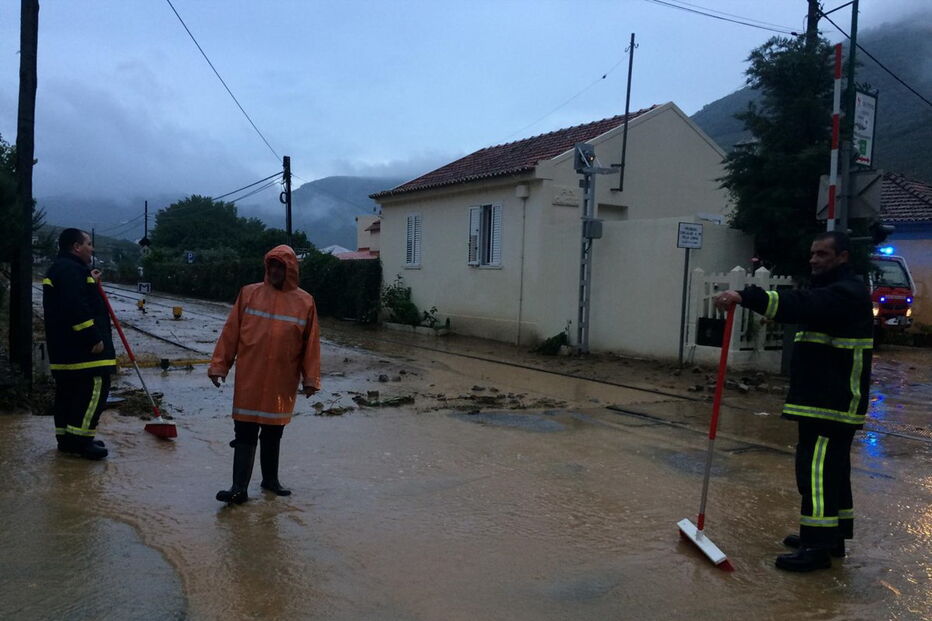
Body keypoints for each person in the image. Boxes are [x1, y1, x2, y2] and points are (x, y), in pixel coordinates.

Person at [714, 231, 873, 572]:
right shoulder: (833, 289)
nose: (814, 259)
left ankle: (816, 547)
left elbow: (801, 305)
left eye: (822, 254)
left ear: (842, 257)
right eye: (812, 253)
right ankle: (831, 537)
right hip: (824, 400)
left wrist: (746, 295)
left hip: (830, 403)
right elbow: (805, 303)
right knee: (832, 472)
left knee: (815, 473)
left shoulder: (846, 293)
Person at [208, 245, 321, 504]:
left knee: (273, 432)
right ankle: (239, 489)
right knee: (245, 432)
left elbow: (311, 344)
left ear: (290, 270)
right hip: (251, 377)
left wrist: (311, 379)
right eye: (271, 265)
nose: (274, 270)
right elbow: (231, 333)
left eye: (280, 266)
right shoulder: (249, 294)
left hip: (282, 380)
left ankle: (270, 480)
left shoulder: (305, 302)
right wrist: (219, 366)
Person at [43, 228, 116, 460]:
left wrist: (90, 281)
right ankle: (82, 441)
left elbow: (72, 298)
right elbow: (74, 306)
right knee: (94, 389)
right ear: (76, 246)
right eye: (88, 243)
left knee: (68, 394)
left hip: (65, 350)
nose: (92, 248)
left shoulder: (63, 269)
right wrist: (93, 336)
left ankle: (67, 439)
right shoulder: (71, 270)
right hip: (84, 352)